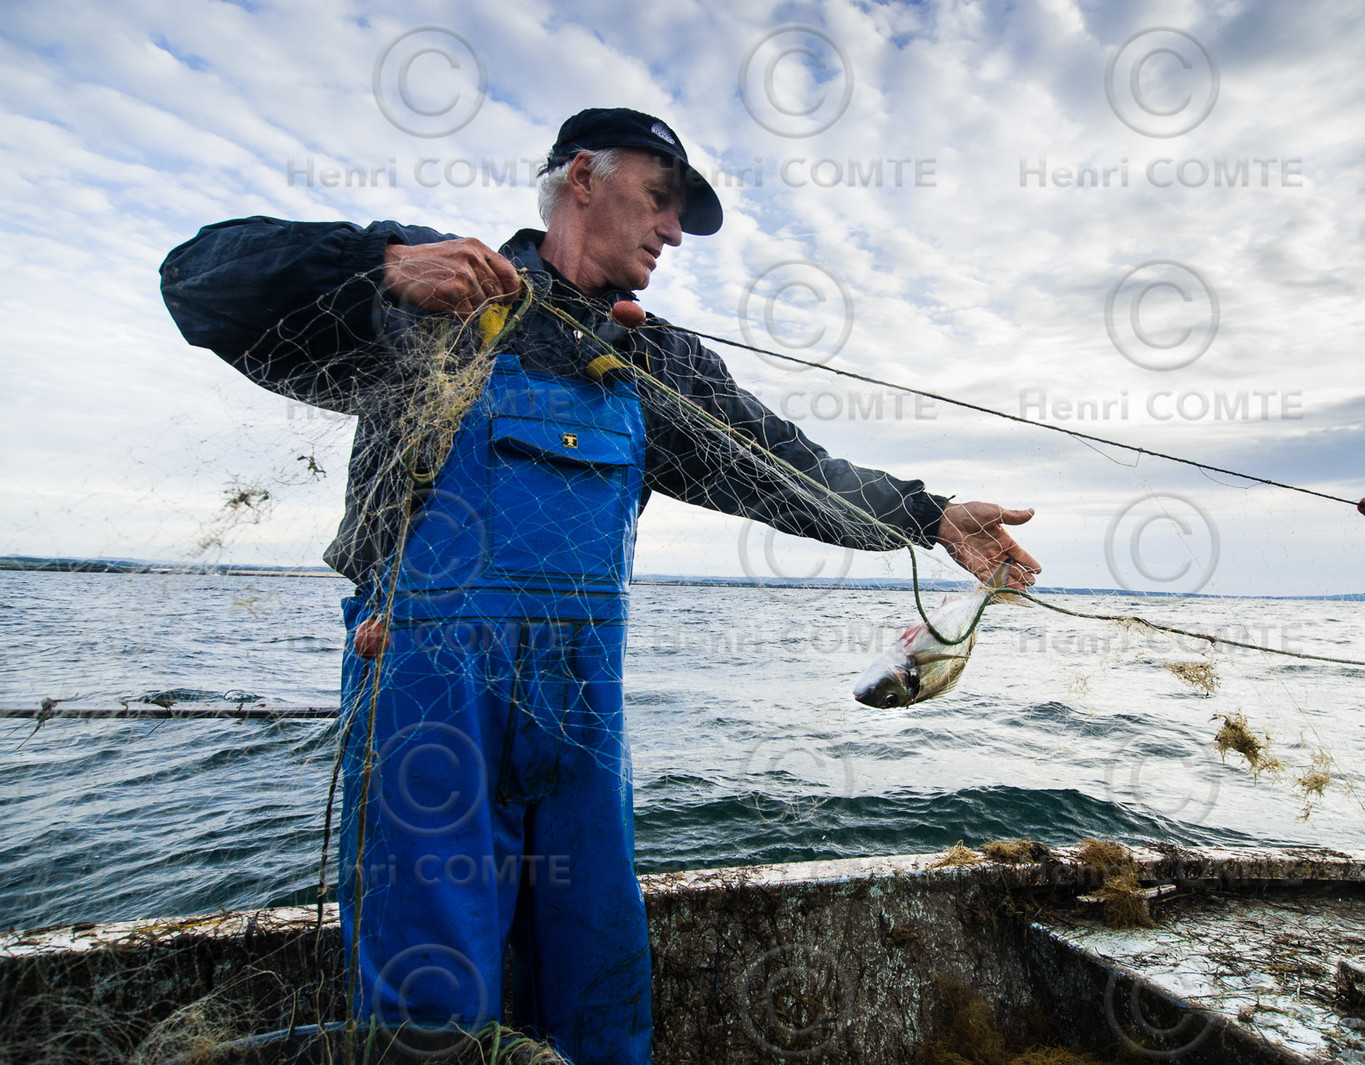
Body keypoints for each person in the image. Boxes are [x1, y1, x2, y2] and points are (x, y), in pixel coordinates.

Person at [160, 107, 1039, 1064]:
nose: (670, 230)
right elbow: (198, 280)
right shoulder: (429, 297)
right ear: (583, 176)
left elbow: (793, 469)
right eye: (659, 200)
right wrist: (381, 263)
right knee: (433, 996)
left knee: (599, 979)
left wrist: (930, 515)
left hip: (580, 716)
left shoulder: (652, 359)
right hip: (425, 703)